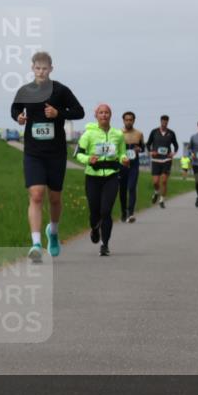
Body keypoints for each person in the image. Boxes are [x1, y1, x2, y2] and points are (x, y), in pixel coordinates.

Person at [12, 51, 84, 262]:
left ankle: (52, 232)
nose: (41, 72)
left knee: (54, 198)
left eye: (45, 68)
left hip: (56, 153)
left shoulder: (61, 90)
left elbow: (79, 111)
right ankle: (35, 244)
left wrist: (58, 113)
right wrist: (18, 116)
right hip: (33, 152)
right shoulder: (25, 91)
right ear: (32, 68)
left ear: (51, 69)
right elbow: (15, 107)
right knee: (36, 195)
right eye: (37, 68)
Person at [75, 104, 128, 256]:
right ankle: (94, 228)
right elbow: (78, 154)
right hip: (93, 177)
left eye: (106, 113)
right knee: (94, 212)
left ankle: (105, 244)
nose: (104, 115)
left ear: (110, 115)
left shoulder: (118, 135)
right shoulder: (88, 134)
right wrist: (88, 159)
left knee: (106, 211)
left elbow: (122, 153)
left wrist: (124, 160)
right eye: (101, 113)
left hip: (111, 176)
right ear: (96, 116)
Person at [146, 115, 179, 208]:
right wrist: (151, 152)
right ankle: (156, 192)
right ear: (160, 121)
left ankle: (162, 200)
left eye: (166, 121)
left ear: (168, 122)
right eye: (163, 121)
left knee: (164, 181)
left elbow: (176, 145)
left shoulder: (171, 133)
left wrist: (173, 153)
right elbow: (148, 144)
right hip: (156, 160)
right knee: (155, 182)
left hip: (166, 160)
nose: (164, 123)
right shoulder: (154, 132)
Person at [118, 111, 144, 223]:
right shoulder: (118, 133)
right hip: (121, 165)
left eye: (130, 120)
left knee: (132, 188)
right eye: (126, 120)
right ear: (123, 120)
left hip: (133, 164)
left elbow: (143, 147)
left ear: (134, 120)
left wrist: (139, 149)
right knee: (122, 190)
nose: (128, 121)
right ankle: (124, 211)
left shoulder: (139, 134)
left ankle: (131, 213)